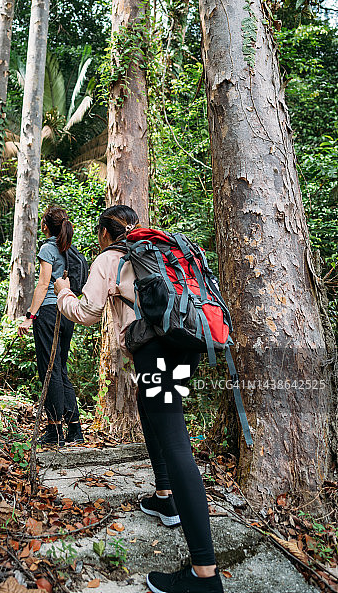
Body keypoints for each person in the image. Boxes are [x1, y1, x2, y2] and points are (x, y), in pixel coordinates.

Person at [54, 205, 224, 593]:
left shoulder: (111, 257)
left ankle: (205, 575)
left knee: (175, 438)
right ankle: (165, 497)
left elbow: (88, 311)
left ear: (103, 233)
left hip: (153, 350)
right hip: (185, 347)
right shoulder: (159, 250)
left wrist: (63, 293)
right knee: (152, 410)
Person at [18, 205, 84, 447]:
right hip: (67, 311)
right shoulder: (68, 248)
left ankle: (55, 430)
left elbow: (43, 284)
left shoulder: (48, 247)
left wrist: (29, 316)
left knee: (49, 369)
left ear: (45, 226)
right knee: (60, 369)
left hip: (49, 312)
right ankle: (74, 429)